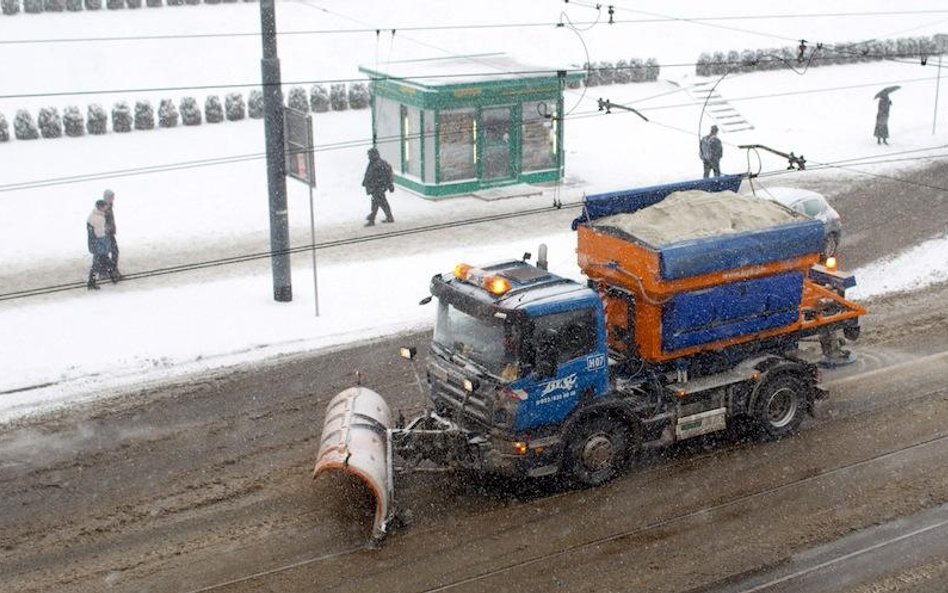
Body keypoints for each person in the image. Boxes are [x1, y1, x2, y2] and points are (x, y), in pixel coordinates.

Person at [361, 147, 395, 227]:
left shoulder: (379, 164)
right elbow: (369, 174)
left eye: (369, 155)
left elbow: (386, 175)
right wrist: (365, 182)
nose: (368, 157)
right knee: (382, 203)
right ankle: (388, 217)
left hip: (378, 187)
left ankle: (372, 218)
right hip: (376, 187)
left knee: (376, 203)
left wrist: (389, 185)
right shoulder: (374, 163)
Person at [86, 200, 114, 290]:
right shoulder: (99, 219)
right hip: (99, 246)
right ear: (101, 207)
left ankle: (92, 281)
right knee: (100, 263)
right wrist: (107, 246)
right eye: (105, 206)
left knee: (99, 263)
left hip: (94, 244)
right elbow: (101, 235)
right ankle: (113, 277)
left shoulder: (92, 215)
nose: (107, 208)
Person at [102, 189, 122, 281]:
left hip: (110, 233)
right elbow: (103, 222)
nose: (113, 199)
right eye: (111, 197)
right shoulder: (104, 208)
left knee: (113, 252)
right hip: (106, 235)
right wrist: (108, 230)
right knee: (111, 253)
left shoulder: (109, 206)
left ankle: (111, 270)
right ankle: (112, 271)